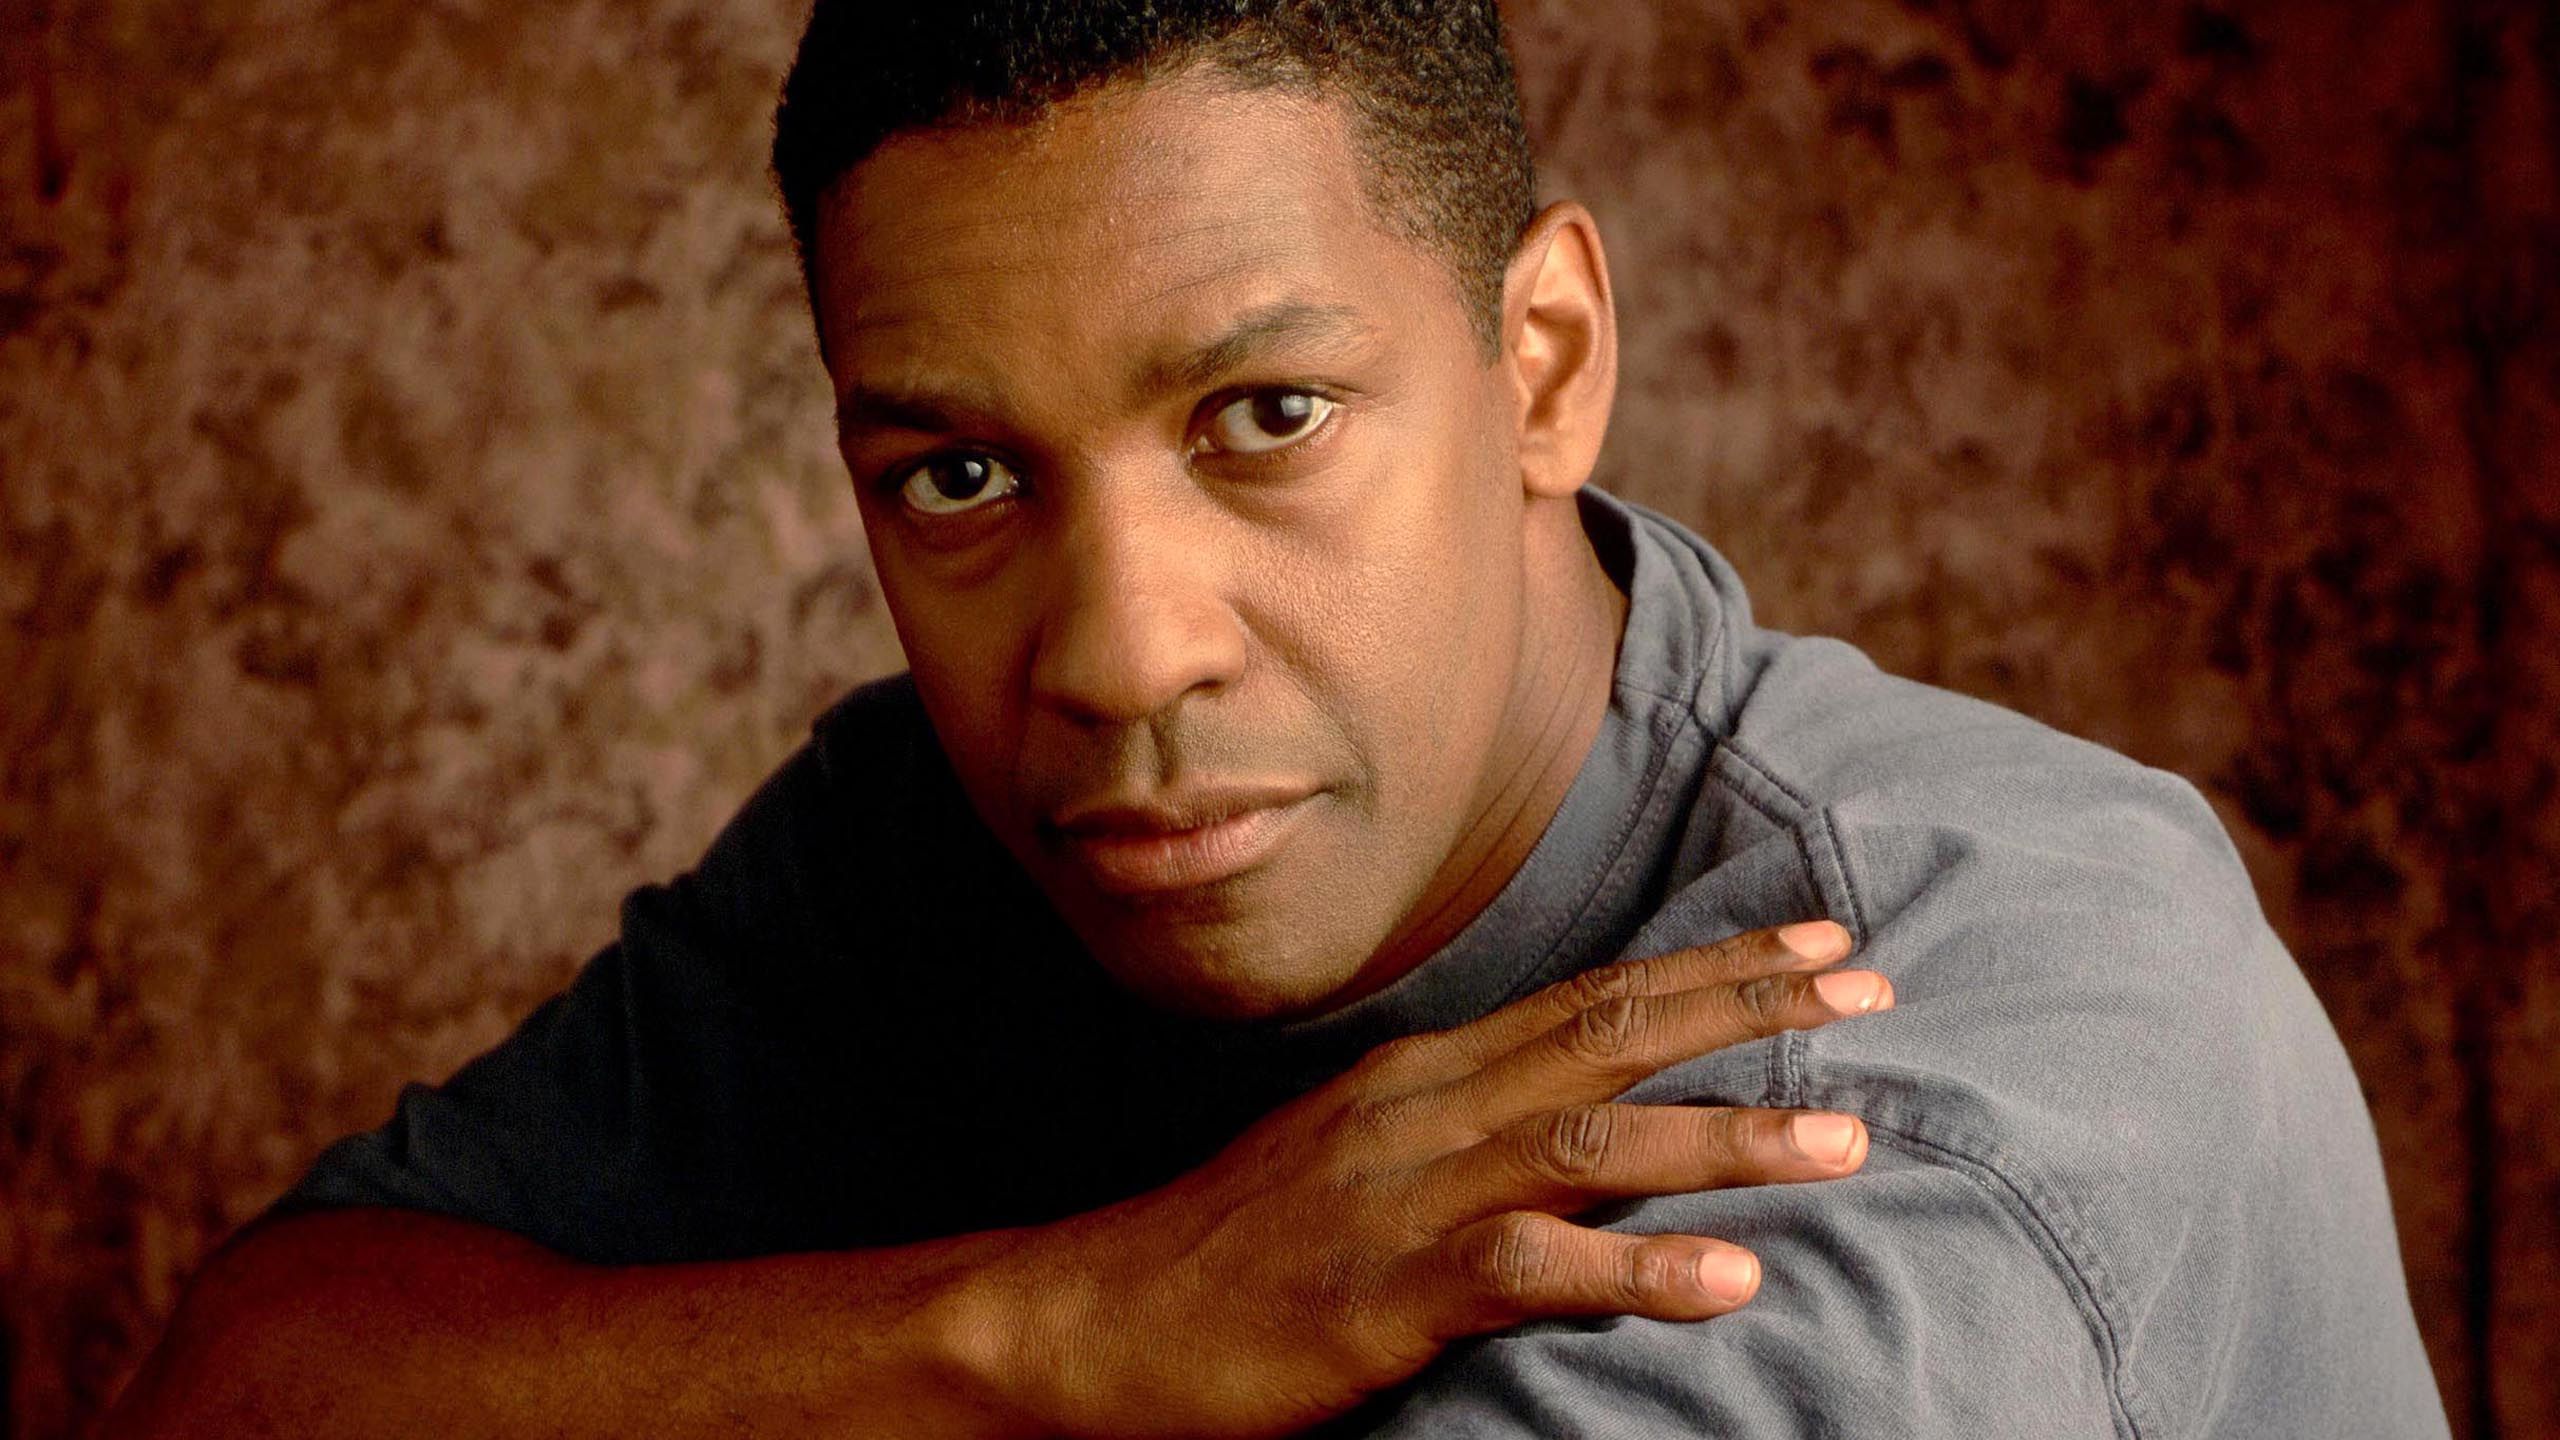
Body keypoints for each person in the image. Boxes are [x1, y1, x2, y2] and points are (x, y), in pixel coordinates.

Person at [105, 3, 2451, 1436]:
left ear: (1539, 364)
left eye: (1264, 417)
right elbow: (244, 1383)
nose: (1119, 658)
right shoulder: (934, 852)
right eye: (958, 476)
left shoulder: (1959, 1028)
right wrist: (1046, 1332)